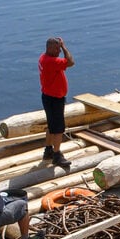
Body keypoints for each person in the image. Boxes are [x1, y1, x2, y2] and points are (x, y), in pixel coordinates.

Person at [39, 37, 75, 169]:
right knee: (58, 129)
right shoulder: (51, 61)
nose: (59, 51)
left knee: (51, 126)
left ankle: (48, 150)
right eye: (57, 49)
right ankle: (56, 155)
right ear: (49, 48)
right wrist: (65, 47)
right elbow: (71, 62)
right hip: (54, 99)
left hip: (48, 96)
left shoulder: (43, 57)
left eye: (60, 49)